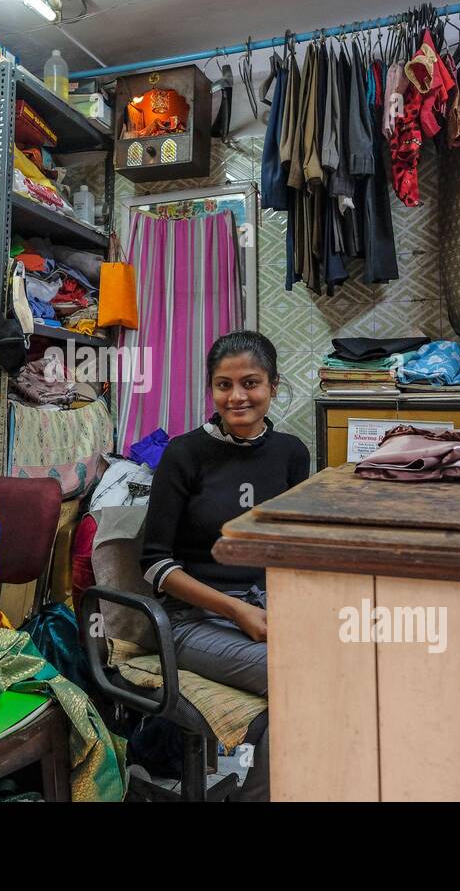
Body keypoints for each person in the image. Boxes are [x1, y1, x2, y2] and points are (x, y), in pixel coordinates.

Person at [139, 331, 310, 801]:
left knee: (348, 664)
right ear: (211, 390)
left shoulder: (292, 453)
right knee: (303, 675)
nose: (237, 397)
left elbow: (290, 550)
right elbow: (155, 565)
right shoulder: (185, 453)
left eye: (250, 383)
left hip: (268, 609)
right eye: (223, 385)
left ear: (273, 386)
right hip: (192, 620)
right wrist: (237, 612)